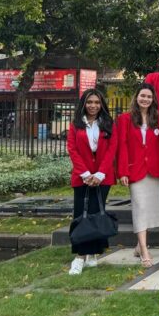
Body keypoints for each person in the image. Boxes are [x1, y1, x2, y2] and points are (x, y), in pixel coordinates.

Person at [66, 89, 118, 275]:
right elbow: (72, 149)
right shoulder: (76, 124)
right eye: (90, 102)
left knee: (97, 213)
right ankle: (80, 257)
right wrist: (86, 174)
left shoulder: (109, 123)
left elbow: (112, 149)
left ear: (101, 104)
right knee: (81, 214)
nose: (93, 106)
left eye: (97, 102)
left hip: (103, 177)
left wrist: (100, 174)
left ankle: (93, 253)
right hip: (82, 176)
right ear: (84, 104)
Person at [117, 83, 159, 267]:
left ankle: (139, 245)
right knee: (140, 208)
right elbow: (122, 145)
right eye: (142, 96)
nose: (145, 99)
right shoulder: (125, 119)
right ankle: (145, 250)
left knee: (149, 209)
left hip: (154, 170)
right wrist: (123, 171)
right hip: (135, 170)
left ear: (153, 99)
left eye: (149, 97)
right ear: (136, 97)